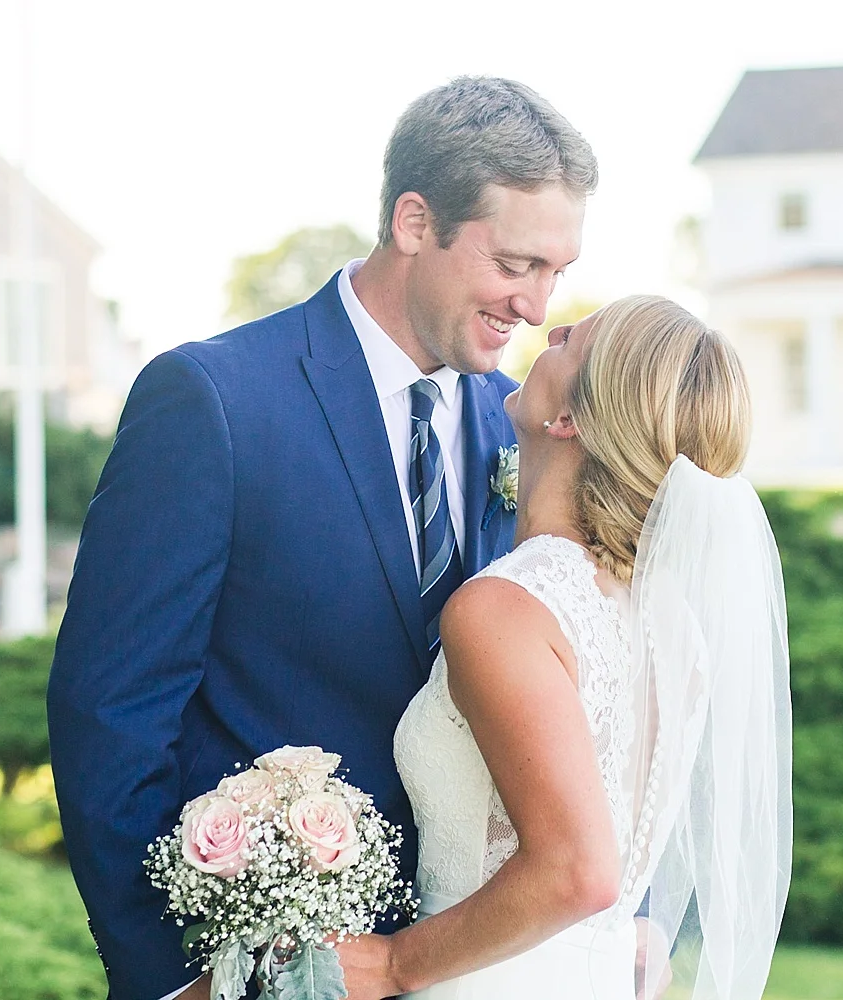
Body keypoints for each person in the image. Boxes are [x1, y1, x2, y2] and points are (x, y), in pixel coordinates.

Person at [46, 76, 595, 1000]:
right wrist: (172, 976)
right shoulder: (214, 401)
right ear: (415, 221)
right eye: (514, 264)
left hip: (473, 961)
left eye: (556, 273)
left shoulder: (519, 431)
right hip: (255, 969)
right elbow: (109, 710)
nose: (536, 308)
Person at [340, 296, 793, 999]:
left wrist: (394, 965)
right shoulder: (673, 627)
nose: (548, 329)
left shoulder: (505, 608)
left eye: (570, 340)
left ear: (568, 420)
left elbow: (579, 872)